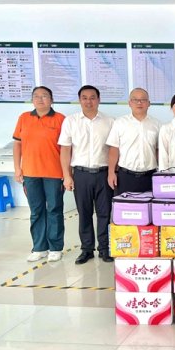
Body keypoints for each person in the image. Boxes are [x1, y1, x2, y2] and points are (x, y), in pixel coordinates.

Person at [59, 85, 115, 264]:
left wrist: (113, 172)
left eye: (92, 97)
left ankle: (105, 249)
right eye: (84, 98)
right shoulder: (71, 121)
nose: (88, 101)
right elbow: (65, 150)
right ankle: (87, 249)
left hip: (103, 174)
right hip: (80, 174)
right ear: (79, 100)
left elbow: (114, 150)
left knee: (105, 213)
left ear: (99, 99)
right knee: (84, 213)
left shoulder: (110, 121)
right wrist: (67, 176)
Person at [13, 86, 66, 262]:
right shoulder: (24, 118)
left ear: (51, 99)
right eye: (36, 96)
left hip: (54, 173)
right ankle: (39, 247)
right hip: (30, 173)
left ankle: (55, 248)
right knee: (36, 211)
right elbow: (17, 145)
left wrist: (67, 173)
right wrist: (17, 168)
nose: (40, 99)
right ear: (32, 100)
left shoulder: (60, 119)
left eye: (44, 96)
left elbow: (67, 149)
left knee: (54, 210)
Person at [107, 88, 160, 195]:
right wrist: (111, 172)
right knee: (125, 205)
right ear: (129, 103)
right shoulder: (120, 123)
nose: (139, 103)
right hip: (125, 177)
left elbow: (159, 151)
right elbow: (114, 149)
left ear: (149, 103)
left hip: (150, 176)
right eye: (135, 100)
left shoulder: (157, 124)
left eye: (143, 100)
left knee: (150, 205)